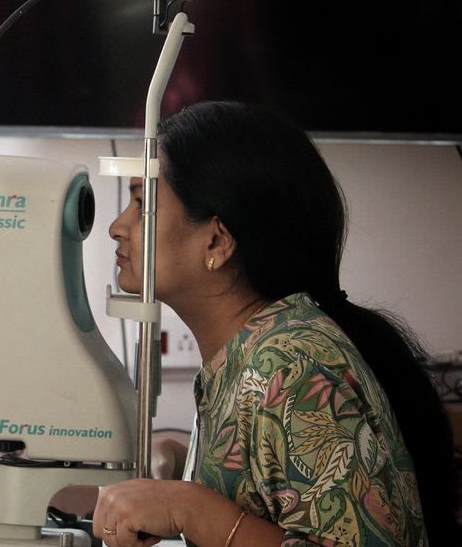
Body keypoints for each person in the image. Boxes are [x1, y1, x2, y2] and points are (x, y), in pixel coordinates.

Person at [93, 101, 457, 546]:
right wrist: (181, 460)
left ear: (217, 240)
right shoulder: (251, 355)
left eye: (141, 203)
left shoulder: (291, 364)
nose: (117, 226)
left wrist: (191, 509)